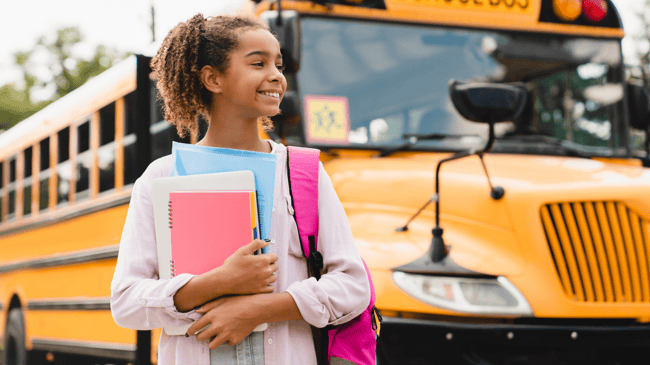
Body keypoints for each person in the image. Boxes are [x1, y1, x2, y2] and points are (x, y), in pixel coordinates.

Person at [110, 13, 371, 365]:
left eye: (278, 64)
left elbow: (354, 286)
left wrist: (258, 309)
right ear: (213, 78)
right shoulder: (162, 177)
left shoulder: (303, 173)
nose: (276, 76)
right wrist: (216, 282)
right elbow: (126, 302)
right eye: (258, 63)